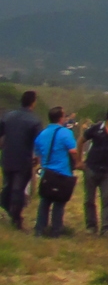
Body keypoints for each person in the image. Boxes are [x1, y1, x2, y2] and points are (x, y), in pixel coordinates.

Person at [33, 106, 79, 238]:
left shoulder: (42, 134)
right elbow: (73, 151)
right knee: (59, 203)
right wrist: (77, 162)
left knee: (44, 202)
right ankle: (55, 230)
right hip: (62, 172)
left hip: (47, 173)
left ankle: (40, 229)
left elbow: (37, 154)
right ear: (60, 118)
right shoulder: (65, 133)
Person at [0, 90, 42, 229]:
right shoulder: (34, 121)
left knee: (7, 187)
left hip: (7, 157)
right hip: (23, 160)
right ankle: (16, 218)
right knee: (18, 190)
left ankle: (8, 209)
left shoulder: (8, 116)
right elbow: (39, 143)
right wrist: (37, 157)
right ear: (33, 102)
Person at [81, 105, 108, 235]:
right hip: (92, 167)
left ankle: (106, 227)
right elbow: (81, 140)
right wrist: (79, 161)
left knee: (107, 199)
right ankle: (91, 225)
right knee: (89, 199)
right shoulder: (96, 129)